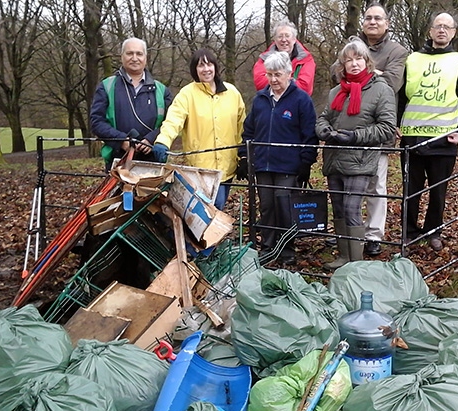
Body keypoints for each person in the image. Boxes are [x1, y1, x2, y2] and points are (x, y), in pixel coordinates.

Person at [397, 12, 458, 251]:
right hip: (412, 140)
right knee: (410, 192)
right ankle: (408, 232)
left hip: (444, 141)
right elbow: (401, 98)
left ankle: (433, 232)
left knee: (438, 193)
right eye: (437, 26)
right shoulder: (411, 60)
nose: (442, 30)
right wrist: (396, 125)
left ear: (453, 32)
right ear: (430, 31)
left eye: (447, 27)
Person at [316, 37, 397, 270]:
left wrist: (355, 137)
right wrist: (324, 130)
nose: (354, 64)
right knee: (339, 208)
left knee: (352, 208)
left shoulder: (382, 90)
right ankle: (343, 257)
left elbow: (387, 128)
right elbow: (323, 118)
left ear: (367, 61)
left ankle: (356, 263)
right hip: (334, 158)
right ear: (342, 65)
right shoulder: (335, 92)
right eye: (348, 60)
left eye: (358, 58)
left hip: (361, 158)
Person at [241, 51, 318, 265]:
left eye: (277, 74)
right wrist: (245, 156)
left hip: (289, 166)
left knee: (284, 206)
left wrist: (306, 161)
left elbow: (309, 134)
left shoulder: (301, 99)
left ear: (288, 73)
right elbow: (249, 131)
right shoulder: (260, 100)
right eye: (269, 74)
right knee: (267, 207)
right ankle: (268, 247)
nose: (273, 80)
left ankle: (287, 249)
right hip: (264, 164)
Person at [155, 48, 246, 210]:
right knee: (209, 209)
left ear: (216, 67)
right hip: (201, 169)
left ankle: (215, 235)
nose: (206, 69)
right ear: (194, 70)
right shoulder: (187, 94)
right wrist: (163, 141)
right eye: (201, 65)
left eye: (209, 64)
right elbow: (173, 120)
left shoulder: (232, 93)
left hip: (227, 167)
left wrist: (243, 156)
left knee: (218, 208)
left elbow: (242, 127)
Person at [359, 3, 409, 256]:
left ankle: (373, 234)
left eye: (378, 18)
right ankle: (350, 231)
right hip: (351, 125)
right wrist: (372, 72)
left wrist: (358, 71)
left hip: (379, 126)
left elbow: (391, 83)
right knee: (349, 183)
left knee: (376, 185)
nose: (373, 22)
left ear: (387, 23)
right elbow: (338, 73)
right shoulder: (351, 45)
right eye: (368, 18)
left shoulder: (398, 51)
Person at [90, 37, 173, 172]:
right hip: (117, 162)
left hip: (152, 162)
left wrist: (151, 139)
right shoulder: (107, 86)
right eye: (130, 53)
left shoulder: (161, 90)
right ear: (122, 56)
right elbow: (96, 122)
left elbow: (170, 123)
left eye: (139, 54)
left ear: (145, 58)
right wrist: (121, 140)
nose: (135, 58)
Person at [252, 19, 316, 96]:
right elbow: (260, 84)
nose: (284, 40)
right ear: (274, 40)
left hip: (297, 105)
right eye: (280, 36)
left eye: (287, 36)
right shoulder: (264, 59)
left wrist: (275, 82)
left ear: (294, 39)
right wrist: (291, 81)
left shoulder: (306, 59)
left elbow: (305, 88)